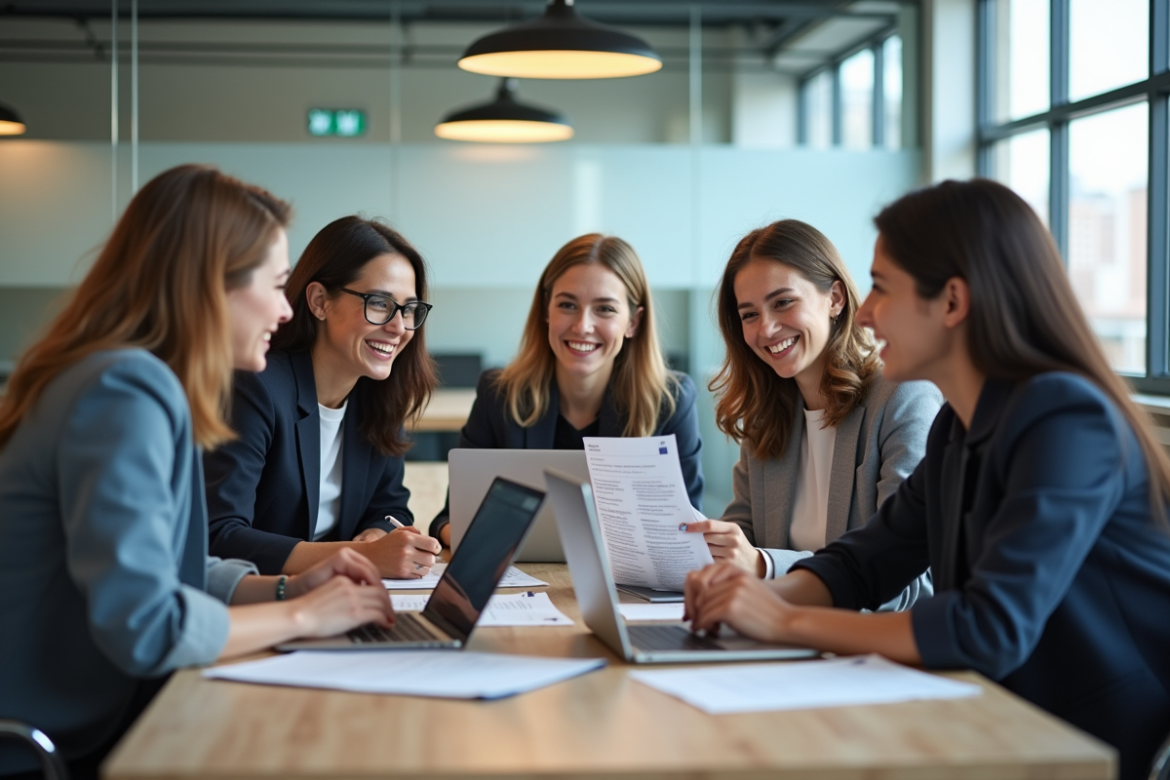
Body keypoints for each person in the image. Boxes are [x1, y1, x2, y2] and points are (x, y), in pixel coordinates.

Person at [684, 179, 1170, 780]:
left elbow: (988, 628)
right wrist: (751, 599)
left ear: (952, 301)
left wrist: (779, 619)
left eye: (882, 287)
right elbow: (863, 564)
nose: (864, 312)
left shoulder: (1065, 418)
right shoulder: (959, 427)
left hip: (1081, 741)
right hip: (993, 717)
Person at [0, 165, 395, 779]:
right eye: (275, 284)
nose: (285, 311)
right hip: (57, 739)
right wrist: (301, 619)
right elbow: (145, 624)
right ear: (211, 285)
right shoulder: (124, 391)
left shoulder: (132, 380)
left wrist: (291, 588)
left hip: (93, 715)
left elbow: (173, 566)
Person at [683, 220, 940, 610]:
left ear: (834, 298)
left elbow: (909, 584)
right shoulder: (767, 414)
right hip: (780, 640)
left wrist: (765, 565)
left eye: (783, 302)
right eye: (749, 314)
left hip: (868, 653)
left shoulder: (903, 397)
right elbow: (742, 539)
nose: (766, 328)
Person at [204, 216, 442, 579]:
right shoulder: (257, 388)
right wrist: (359, 556)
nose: (398, 327)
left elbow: (390, 505)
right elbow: (219, 536)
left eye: (409, 309)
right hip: (260, 605)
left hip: (333, 599)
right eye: (379, 303)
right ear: (319, 302)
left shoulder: (377, 395)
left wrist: (377, 535)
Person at [429, 233, 703, 547]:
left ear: (633, 323)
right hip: (517, 582)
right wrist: (465, 536)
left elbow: (688, 530)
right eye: (568, 305)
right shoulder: (499, 395)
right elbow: (450, 518)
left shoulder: (672, 401)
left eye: (605, 309)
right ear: (547, 311)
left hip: (627, 589)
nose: (583, 325)